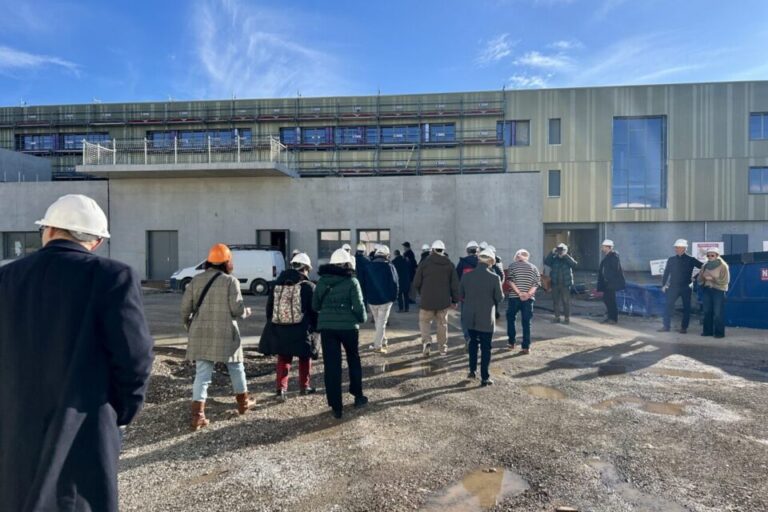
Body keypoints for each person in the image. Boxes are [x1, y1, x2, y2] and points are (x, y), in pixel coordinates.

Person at [0, 194, 154, 512]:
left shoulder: (7, 278)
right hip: (85, 428)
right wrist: (121, 412)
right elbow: (135, 360)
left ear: (48, 230)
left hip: (15, 428)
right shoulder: (113, 276)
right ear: (97, 241)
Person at [182, 243, 255, 430]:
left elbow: (185, 309)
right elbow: (236, 309)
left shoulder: (196, 280)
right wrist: (246, 312)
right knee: (236, 367)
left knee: (202, 374)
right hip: (225, 332)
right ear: (227, 262)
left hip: (200, 332)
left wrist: (189, 326)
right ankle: (243, 403)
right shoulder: (231, 281)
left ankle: (198, 416)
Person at [313, 248, 368, 419]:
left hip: (327, 328)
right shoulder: (352, 282)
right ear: (346, 264)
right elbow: (359, 306)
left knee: (331, 365)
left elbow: (315, 305)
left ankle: (336, 406)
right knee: (353, 359)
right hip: (349, 327)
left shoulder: (322, 281)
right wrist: (362, 318)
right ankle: (358, 395)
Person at [267, 252, 319, 401]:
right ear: (306, 268)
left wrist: (273, 323)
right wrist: (315, 328)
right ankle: (304, 387)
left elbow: (269, 308)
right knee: (305, 357)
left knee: (284, 358)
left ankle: (281, 389)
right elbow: (314, 310)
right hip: (302, 329)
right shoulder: (309, 287)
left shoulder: (277, 285)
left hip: (281, 327)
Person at [461, 248, 504, 386]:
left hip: (470, 317)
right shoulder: (494, 278)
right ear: (491, 261)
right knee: (486, 348)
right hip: (486, 318)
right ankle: (485, 377)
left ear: (479, 259)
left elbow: (461, 294)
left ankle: (472, 371)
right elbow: (499, 298)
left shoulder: (467, 276)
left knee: (473, 344)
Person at [412, 240, 460, 356]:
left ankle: (426, 341)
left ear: (432, 250)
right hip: (443, 302)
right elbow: (455, 285)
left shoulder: (424, 263)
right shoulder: (449, 264)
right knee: (442, 324)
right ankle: (442, 348)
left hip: (426, 301)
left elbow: (416, 282)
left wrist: (422, 293)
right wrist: (455, 300)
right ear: (443, 250)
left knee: (424, 322)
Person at [659, 239, 703, 334]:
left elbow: (704, 267)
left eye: (678, 247)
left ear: (684, 248)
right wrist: (663, 285)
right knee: (668, 305)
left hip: (686, 287)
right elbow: (666, 272)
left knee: (687, 307)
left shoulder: (691, 259)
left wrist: (695, 277)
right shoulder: (671, 259)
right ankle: (666, 326)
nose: (676, 249)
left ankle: (684, 328)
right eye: (676, 247)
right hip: (673, 287)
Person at [505, 249, 541, 354]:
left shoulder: (512, 266)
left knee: (511, 319)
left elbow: (510, 281)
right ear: (527, 257)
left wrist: (519, 293)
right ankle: (526, 347)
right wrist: (528, 294)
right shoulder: (534, 267)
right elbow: (536, 284)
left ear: (517, 256)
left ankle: (511, 342)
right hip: (528, 299)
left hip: (514, 298)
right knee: (526, 322)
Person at [365, 245, 399, 353]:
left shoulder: (368, 266)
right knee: (381, 323)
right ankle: (378, 346)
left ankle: (383, 340)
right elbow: (395, 283)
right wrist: (394, 297)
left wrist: (366, 297)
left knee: (378, 321)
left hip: (372, 299)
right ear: (386, 255)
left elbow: (364, 283)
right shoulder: (389, 266)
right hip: (385, 300)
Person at [698, 246, 730, 338]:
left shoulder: (723, 266)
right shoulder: (704, 266)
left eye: (712, 255)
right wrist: (703, 279)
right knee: (707, 311)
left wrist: (713, 279)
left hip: (718, 291)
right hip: (707, 290)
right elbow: (700, 278)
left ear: (717, 256)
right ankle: (707, 331)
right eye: (708, 255)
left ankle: (719, 333)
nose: (710, 257)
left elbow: (725, 281)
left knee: (718, 313)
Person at [544, 243, 578, 324]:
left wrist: (565, 255)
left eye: (561, 250)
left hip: (565, 285)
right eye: (559, 250)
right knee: (555, 302)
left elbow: (574, 265)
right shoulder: (554, 259)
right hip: (555, 284)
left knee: (566, 302)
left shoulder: (568, 259)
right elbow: (546, 262)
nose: (560, 252)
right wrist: (551, 252)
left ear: (565, 250)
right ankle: (557, 317)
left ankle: (567, 318)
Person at [597, 239, 626, 324]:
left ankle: (613, 318)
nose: (602, 248)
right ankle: (610, 317)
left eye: (604, 246)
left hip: (611, 283)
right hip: (607, 283)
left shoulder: (613, 257)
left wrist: (608, 279)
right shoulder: (608, 257)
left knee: (611, 300)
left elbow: (614, 270)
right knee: (607, 299)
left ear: (608, 247)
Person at [354, 242, 371, 315]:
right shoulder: (367, 260)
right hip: (364, 281)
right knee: (364, 295)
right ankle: (365, 309)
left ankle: (356, 310)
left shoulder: (353, 259)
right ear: (364, 251)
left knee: (355, 295)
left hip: (355, 280)